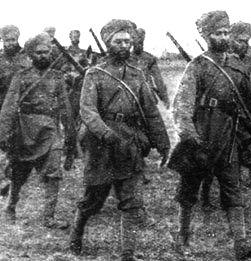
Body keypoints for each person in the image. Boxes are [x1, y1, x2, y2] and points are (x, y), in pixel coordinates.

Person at [169, 10, 251, 260]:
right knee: (189, 190)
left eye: (226, 32)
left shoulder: (237, 67)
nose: (223, 37)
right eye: (218, 33)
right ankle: (182, 238)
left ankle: (241, 242)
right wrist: (188, 135)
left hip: (228, 137)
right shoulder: (197, 66)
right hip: (201, 134)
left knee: (232, 187)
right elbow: (182, 105)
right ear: (207, 37)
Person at [68, 19, 170, 261]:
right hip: (101, 144)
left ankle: (127, 254)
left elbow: (151, 111)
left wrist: (163, 142)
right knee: (93, 199)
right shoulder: (95, 74)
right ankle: (76, 234)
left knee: (131, 201)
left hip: (129, 143)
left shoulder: (137, 75)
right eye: (118, 41)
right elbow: (88, 110)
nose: (124, 45)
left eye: (128, 41)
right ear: (108, 43)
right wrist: (105, 133)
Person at [199, 21, 251, 220]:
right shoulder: (214, 62)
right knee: (212, 161)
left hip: (246, 122)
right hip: (220, 120)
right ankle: (205, 198)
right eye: (238, 40)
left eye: (246, 41)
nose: (242, 45)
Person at [0, 32, 75, 229]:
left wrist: (70, 136)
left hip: (50, 131)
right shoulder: (21, 76)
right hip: (25, 131)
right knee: (19, 174)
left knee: (54, 174)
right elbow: (9, 106)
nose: (43, 55)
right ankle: (10, 207)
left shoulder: (57, 78)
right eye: (39, 52)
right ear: (31, 55)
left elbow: (66, 108)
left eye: (47, 52)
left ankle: (49, 218)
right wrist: (3, 135)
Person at [0, 25, 31, 197]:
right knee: (2, 141)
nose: (10, 43)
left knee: (18, 142)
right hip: (2, 105)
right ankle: (3, 178)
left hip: (22, 106)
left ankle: (13, 173)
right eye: (7, 40)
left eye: (13, 39)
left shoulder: (26, 58)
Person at [129, 28, 170, 108]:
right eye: (136, 41)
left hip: (148, 99)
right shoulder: (126, 58)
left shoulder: (149, 59)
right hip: (131, 98)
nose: (139, 44)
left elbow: (158, 80)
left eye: (141, 42)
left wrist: (164, 98)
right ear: (132, 42)